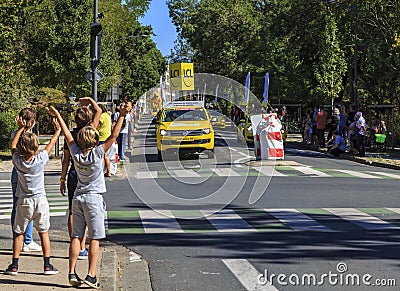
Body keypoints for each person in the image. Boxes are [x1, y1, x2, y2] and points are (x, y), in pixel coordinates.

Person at [48, 102, 132, 288]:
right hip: (94, 198)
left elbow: (67, 134)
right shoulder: (97, 154)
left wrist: (58, 115)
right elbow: (114, 135)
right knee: (94, 238)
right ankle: (91, 274)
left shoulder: (76, 153)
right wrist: (122, 114)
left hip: (78, 196)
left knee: (76, 237)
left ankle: (71, 271)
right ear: (95, 141)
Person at [5, 114, 61, 276]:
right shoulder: (40, 159)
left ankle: (14, 265)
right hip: (40, 201)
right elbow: (50, 144)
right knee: (44, 232)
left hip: (23, 201)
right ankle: (47, 264)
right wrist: (57, 131)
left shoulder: (18, 161)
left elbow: (13, 145)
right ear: (36, 148)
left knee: (18, 232)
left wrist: (21, 128)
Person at [60, 97, 101, 261]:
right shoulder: (90, 132)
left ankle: (77, 244)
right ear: (89, 120)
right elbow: (98, 111)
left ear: (76, 121)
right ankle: (84, 245)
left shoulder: (71, 135)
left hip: (73, 173)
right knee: (88, 212)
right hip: (89, 176)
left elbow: (65, 158)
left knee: (72, 210)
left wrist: (62, 179)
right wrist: (90, 100)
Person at [10, 108, 42, 252]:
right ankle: (27, 240)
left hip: (16, 172)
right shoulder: (32, 137)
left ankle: (18, 237)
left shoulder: (15, 134)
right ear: (32, 121)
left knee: (17, 207)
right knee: (29, 208)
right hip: (29, 174)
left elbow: (13, 147)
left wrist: (20, 129)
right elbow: (36, 153)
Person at [98, 104, 112, 177]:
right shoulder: (107, 115)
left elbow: (98, 125)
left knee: (101, 156)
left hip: (101, 137)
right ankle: (108, 172)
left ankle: (101, 171)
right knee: (106, 155)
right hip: (107, 137)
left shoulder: (101, 116)